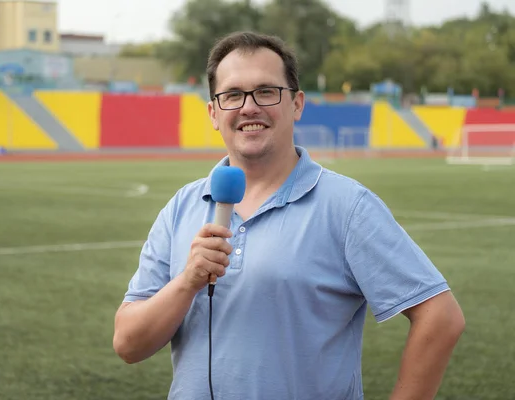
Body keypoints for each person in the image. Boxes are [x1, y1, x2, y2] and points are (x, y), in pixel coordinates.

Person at [113, 31, 465, 400]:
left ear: (296, 104)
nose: (248, 107)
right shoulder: (181, 207)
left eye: (266, 91)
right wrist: (187, 282)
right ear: (214, 113)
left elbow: (441, 317)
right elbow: (128, 344)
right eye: (232, 95)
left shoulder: (347, 206)